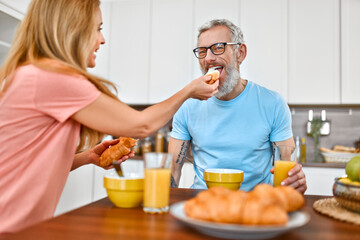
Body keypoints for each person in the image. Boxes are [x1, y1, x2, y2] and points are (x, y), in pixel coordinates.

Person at [0, 0, 219, 236]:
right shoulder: (50, 77)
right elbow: (141, 124)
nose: (102, 40)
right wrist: (189, 91)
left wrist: (87, 157)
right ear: (72, 29)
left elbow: (28, 163)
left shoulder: (34, 74)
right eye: (98, 28)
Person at [169, 19, 307, 193]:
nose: (209, 58)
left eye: (218, 47)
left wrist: (294, 182)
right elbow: (171, 169)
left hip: (256, 206)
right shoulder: (188, 105)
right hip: (204, 203)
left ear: (240, 53)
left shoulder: (273, 103)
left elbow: (286, 168)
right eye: (202, 51)